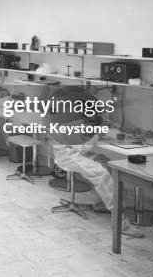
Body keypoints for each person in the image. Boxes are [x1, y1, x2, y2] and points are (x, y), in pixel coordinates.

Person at [47, 86, 143, 238]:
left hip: (73, 152)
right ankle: (120, 222)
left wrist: (97, 130)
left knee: (108, 163)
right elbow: (80, 148)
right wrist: (98, 134)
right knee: (101, 173)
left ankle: (103, 204)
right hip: (67, 156)